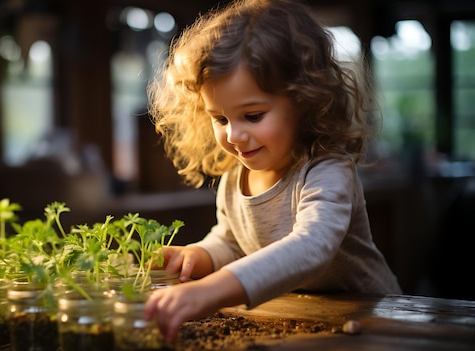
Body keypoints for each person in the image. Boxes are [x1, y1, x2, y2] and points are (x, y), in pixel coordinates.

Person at [143, 0, 403, 342]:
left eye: (252, 116)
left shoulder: (327, 170)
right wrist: (199, 256)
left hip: (375, 322)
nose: (234, 135)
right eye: (220, 119)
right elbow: (233, 242)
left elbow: (311, 247)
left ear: (304, 101)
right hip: (301, 321)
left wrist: (208, 291)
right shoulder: (236, 178)